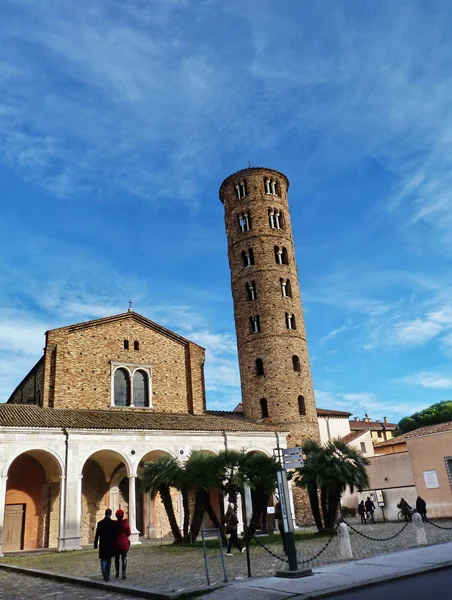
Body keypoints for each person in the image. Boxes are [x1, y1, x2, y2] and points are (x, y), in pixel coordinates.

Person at [94, 508, 117, 581]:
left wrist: (95, 544)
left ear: (105, 513)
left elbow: (97, 535)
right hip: (110, 544)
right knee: (109, 559)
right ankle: (107, 573)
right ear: (111, 514)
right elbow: (115, 535)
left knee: (103, 559)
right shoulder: (113, 523)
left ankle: (104, 571)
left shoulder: (100, 523)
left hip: (103, 544)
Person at [114, 509, 131, 580]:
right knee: (124, 559)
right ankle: (123, 573)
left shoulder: (114, 524)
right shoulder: (125, 524)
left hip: (116, 543)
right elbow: (128, 533)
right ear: (123, 515)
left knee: (116, 559)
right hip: (124, 543)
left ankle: (117, 573)